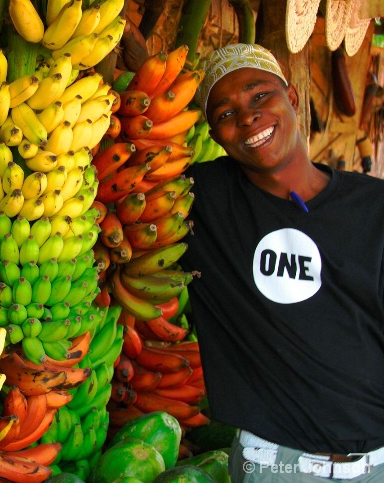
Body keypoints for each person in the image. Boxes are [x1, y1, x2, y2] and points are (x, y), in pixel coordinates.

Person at [179, 43, 384, 482]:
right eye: (225, 114)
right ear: (215, 137)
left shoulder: (374, 208)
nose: (247, 117)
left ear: (292, 98)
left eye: (259, 96)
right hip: (274, 466)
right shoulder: (200, 200)